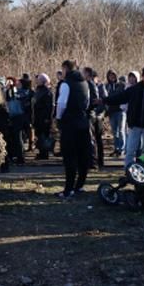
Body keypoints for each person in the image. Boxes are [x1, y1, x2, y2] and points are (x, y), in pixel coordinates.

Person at [103, 66, 144, 168]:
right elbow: (120, 97)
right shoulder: (134, 89)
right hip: (135, 125)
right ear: (143, 76)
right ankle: (128, 170)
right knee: (130, 150)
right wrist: (104, 100)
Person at [55, 60, 91, 199]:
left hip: (70, 123)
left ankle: (68, 189)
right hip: (83, 122)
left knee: (70, 157)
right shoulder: (85, 83)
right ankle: (80, 185)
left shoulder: (66, 84)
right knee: (83, 155)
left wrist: (58, 119)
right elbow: (87, 103)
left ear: (65, 69)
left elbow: (62, 104)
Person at [82, 67, 101, 169]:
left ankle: (93, 162)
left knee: (91, 139)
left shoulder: (90, 84)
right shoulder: (85, 84)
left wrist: (88, 109)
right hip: (86, 114)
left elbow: (94, 100)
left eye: (83, 73)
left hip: (90, 114)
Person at [4, 78, 26, 165]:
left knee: (17, 138)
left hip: (16, 116)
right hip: (17, 116)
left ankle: (20, 158)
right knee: (16, 138)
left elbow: (9, 100)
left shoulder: (13, 92)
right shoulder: (17, 92)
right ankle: (18, 156)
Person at [33, 73, 54, 160]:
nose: (37, 81)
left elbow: (49, 107)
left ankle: (44, 153)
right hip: (38, 116)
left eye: (39, 80)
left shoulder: (47, 92)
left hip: (44, 117)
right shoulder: (38, 91)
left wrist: (47, 118)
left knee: (44, 135)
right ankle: (41, 152)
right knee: (39, 134)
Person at [105, 70, 126, 158]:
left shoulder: (121, 85)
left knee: (121, 130)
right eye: (110, 75)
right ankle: (116, 148)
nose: (112, 77)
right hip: (111, 111)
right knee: (114, 131)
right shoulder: (107, 86)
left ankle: (122, 149)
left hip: (120, 110)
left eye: (113, 75)